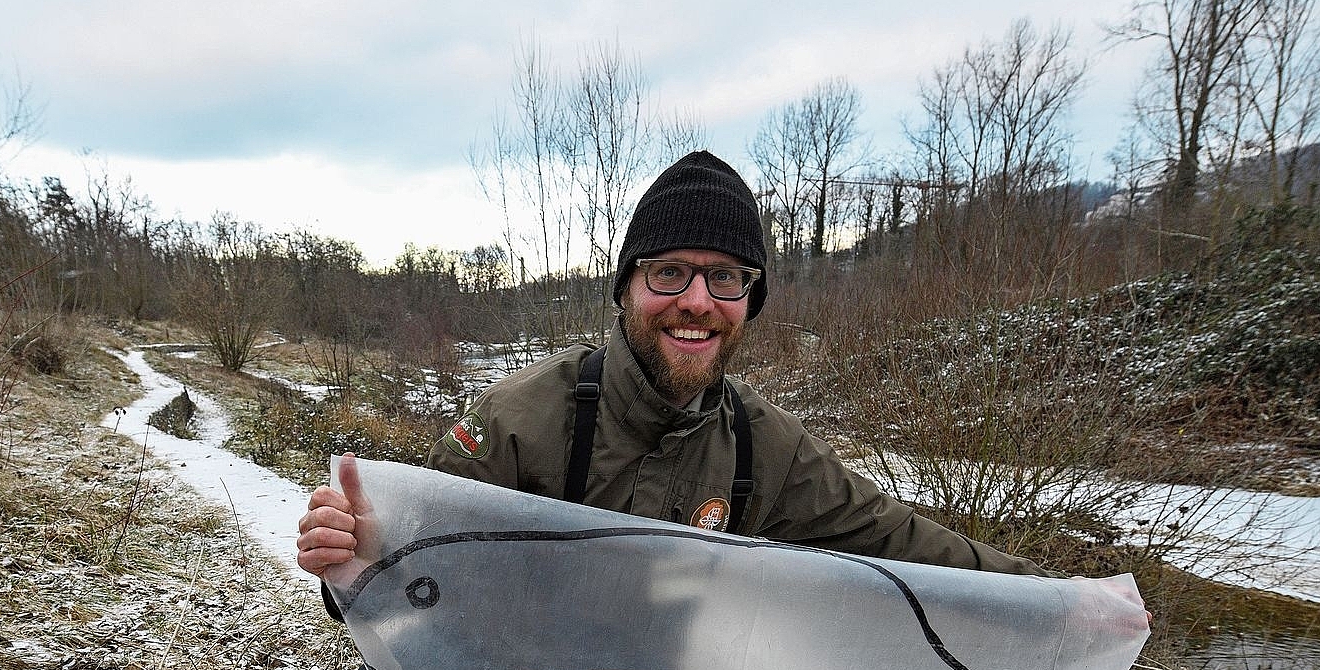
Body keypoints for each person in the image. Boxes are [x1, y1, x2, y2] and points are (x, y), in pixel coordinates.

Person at [297, 149, 1045, 580]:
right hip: (493, 666)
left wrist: (1060, 600)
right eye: (668, 274)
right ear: (625, 286)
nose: (696, 300)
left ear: (750, 301)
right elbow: (398, 566)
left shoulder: (766, 447)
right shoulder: (519, 417)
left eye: (726, 278)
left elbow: (901, 540)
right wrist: (349, 551)